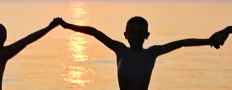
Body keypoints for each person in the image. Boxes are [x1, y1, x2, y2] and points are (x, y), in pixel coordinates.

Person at [59, 16, 212, 90]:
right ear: (126, 35)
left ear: (147, 35)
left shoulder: (152, 53)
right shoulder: (120, 49)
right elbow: (93, 31)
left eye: (140, 32)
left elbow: (182, 43)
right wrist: (66, 25)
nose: (136, 35)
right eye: (132, 32)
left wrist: (208, 41)